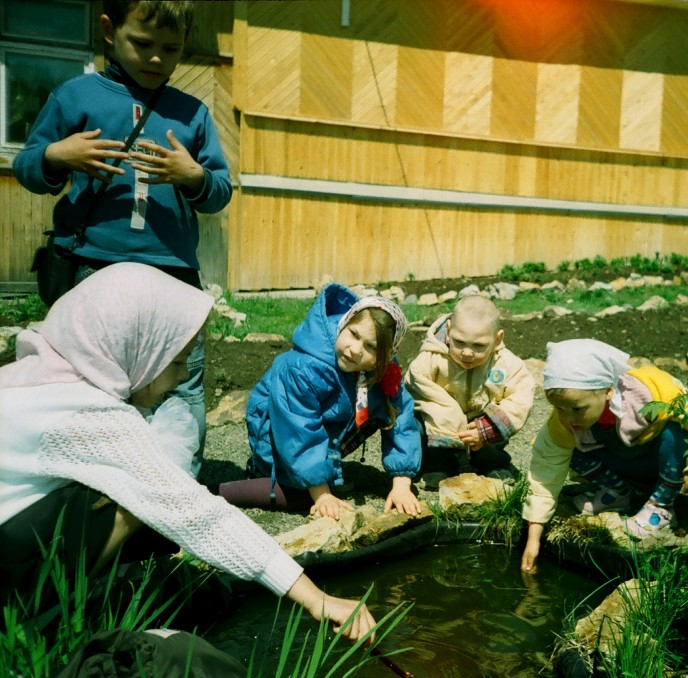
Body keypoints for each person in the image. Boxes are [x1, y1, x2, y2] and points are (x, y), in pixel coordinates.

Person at [0, 263, 376, 642]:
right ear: (136, 347)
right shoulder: (86, 415)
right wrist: (315, 598)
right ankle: (42, 619)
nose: (183, 377)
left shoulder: (39, 376)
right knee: (143, 498)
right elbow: (198, 514)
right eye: (177, 362)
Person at [13, 0, 232, 476]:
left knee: (181, 384)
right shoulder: (75, 96)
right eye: (143, 43)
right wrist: (55, 154)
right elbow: (26, 166)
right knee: (86, 378)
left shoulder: (192, 113)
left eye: (170, 49)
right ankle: (89, 479)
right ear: (109, 31)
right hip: (92, 264)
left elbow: (219, 192)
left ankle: (177, 489)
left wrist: (193, 175)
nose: (156, 58)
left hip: (171, 271)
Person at [215, 287, 422, 519]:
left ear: (385, 355)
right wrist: (322, 495)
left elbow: (402, 419)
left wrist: (402, 485)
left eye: (371, 347)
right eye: (353, 334)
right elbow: (299, 431)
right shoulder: (303, 368)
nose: (355, 350)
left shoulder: (382, 369)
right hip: (279, 433)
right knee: (303, 495)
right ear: (344, 323)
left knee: (394, 408)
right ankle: (227, 489)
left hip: (327, 425)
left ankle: (319, 472)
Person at [520, 339, 688, 573]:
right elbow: (546, 471)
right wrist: (534, 537)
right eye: (559, 409)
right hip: (623, 463)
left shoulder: (655, 393)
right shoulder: (564, 421)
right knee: (563, 448)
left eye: (576, 409)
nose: (568, 418)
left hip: (661, 463)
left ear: (608, 392)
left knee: (675, 431)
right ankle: (618, 492)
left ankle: (661, 505)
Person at [404, 295, 535, 485]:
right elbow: (417, 388)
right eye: (459, 342)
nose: (467, 352)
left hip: (481, 419)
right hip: (442, 419)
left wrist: (487, 428)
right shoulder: (430, 359)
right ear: (448, 331)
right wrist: (447, 417)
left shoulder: (506, 364)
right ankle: (440, 464)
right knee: (421, 426)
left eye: (479, 346)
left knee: (492, 438)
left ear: (497, 339)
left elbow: (521, 395)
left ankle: (492, 463)